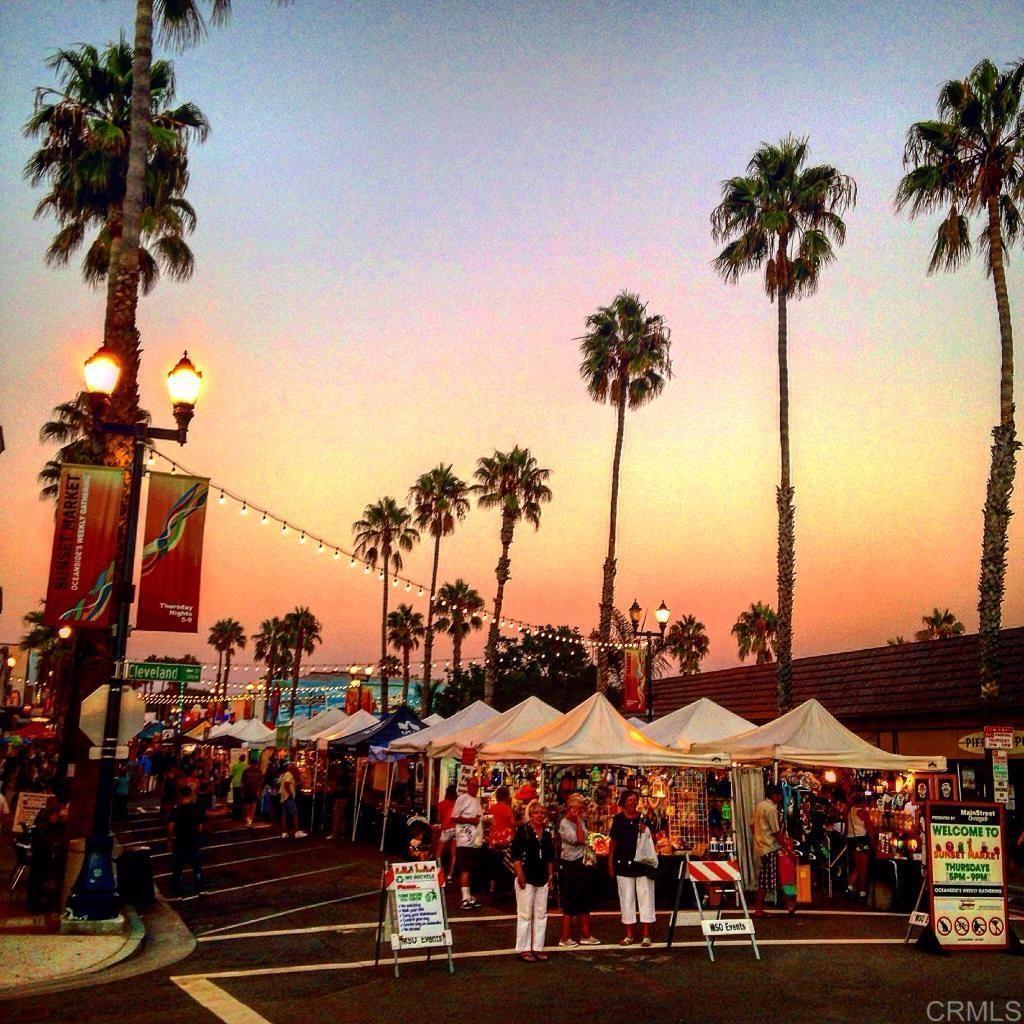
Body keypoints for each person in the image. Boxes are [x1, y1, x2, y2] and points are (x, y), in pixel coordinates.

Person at [608, 789, 656, 946]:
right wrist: (610, 862)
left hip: (643, 865)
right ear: (623, 802)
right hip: (623, 865)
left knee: (646, 898)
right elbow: (613, 842)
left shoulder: (643, 819)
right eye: (630, 799)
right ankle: (629, 934)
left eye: (635, 799)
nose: (633, 802)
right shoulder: (618, 820)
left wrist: (646, 829)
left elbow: (653, 839)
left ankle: (646, 935)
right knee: (626, 898)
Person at [510, 799, 556, 962]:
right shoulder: (523, 831)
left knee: (541, 914)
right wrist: (519, 873)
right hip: (526, 876)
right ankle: (524, 949)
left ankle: (537, 947)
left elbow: (550, 857)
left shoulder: (547, 833)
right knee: (525, 914)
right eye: (536, 813)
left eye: (542, 813)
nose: (539, 816)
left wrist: (550, 876)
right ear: (530, 814)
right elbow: (515, 854)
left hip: (542, 878)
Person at [558, 793, 599, 946]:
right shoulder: (564, 824)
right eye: (577, 808)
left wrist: (580, 821)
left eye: (581, 808)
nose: (579, 811)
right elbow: (580, 839)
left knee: (584, 899)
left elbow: (586, 837)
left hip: (582, 862)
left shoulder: (580, 821)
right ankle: (565, 937)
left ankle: (586, 934)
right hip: (571, 864)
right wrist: (577, 821)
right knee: (571, 899)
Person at [752, 783, 795, 916]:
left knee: (774, 876)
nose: (781, 797)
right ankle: (759, 908)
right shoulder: (771, 809)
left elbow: (752, 825)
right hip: (769, 847)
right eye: (780, 795)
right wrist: (788, 850)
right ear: (774, 795)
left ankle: (788, 903)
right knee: (767, 879)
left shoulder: (759, 806)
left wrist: (759, 836)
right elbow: (776, 832)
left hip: (761, 846)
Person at [451, 776, 484, 909]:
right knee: (465, 868)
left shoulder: (477, 800)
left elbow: (479, 817)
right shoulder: (462, 799)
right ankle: (464, 897)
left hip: (475, 840)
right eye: (473, 785)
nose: (476, 788)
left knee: (470, 868)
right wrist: (470, 820)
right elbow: (454, 817)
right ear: (468, 786)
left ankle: (468, 895)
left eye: (477, 786)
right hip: (465, 839)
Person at [168, 785, 205, 896]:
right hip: (193, 839)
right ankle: (199, 885)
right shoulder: (196, 808)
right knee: (196, 865)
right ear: (191, 794)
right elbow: (200, 826)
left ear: (180, 795)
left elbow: (170, 827)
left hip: (180, 839)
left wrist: (169, 840)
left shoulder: (176, 809)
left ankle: (177, 887)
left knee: (178, 865)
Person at [845, 792, 872, 901]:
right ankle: (862, 891)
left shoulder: (850, 811)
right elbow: (869, 828)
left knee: (858, 866)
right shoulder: (862, 812)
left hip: (852, 839)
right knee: (863, 867)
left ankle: (850, 887)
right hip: (862, 840)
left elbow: (847, 827)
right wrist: (873, 842)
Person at [488, 785, 515, 895]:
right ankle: (507, 887)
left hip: (494, 839)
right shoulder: (507, 808)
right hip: (506, 839)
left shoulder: (492, 808)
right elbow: (513, 823)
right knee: (507, 864)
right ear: (507, 796)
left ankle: (492, 887)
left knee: (493, 865)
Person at [278, 760, 307, 838]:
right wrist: (290, 794)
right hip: (288, 798)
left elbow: (281, 784)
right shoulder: (289, 774)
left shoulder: (284, 775)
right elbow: (286, 784)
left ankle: (284, 832)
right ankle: (297, 832)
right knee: (295, 814)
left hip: (283, 797)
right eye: (294, 768)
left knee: (284, 815)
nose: (296, 769)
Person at [435, 784, 458, 878]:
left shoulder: (442, 804)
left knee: (438, 853)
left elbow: (438, 818)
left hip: (446, 829)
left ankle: (439, 872)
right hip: (456, 829)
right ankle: (450, 874)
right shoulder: (457, 803)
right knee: (454, 853)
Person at [241, 756, 264, 829]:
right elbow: (242, 782)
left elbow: (261, 782)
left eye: (255, 764)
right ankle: (248, 821)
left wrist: (259, 791)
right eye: (254, 764)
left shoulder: (259, 771)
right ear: (251, 764)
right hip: (247, 791)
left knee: (253, 806)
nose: (255, 765)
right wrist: (242, 792)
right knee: (248, 807)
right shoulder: (246, 771)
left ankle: (250, 821)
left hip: (255, 791)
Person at [229, 753, 248, 820]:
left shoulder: (235, 766)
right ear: (244, 759)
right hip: (243, 784)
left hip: (235, 783)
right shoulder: (246, 766)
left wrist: (229, 784)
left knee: (235, 799)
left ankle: (235, 814)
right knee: (241, 799)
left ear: (239, 759)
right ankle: (240, 814)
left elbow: (231, 776)